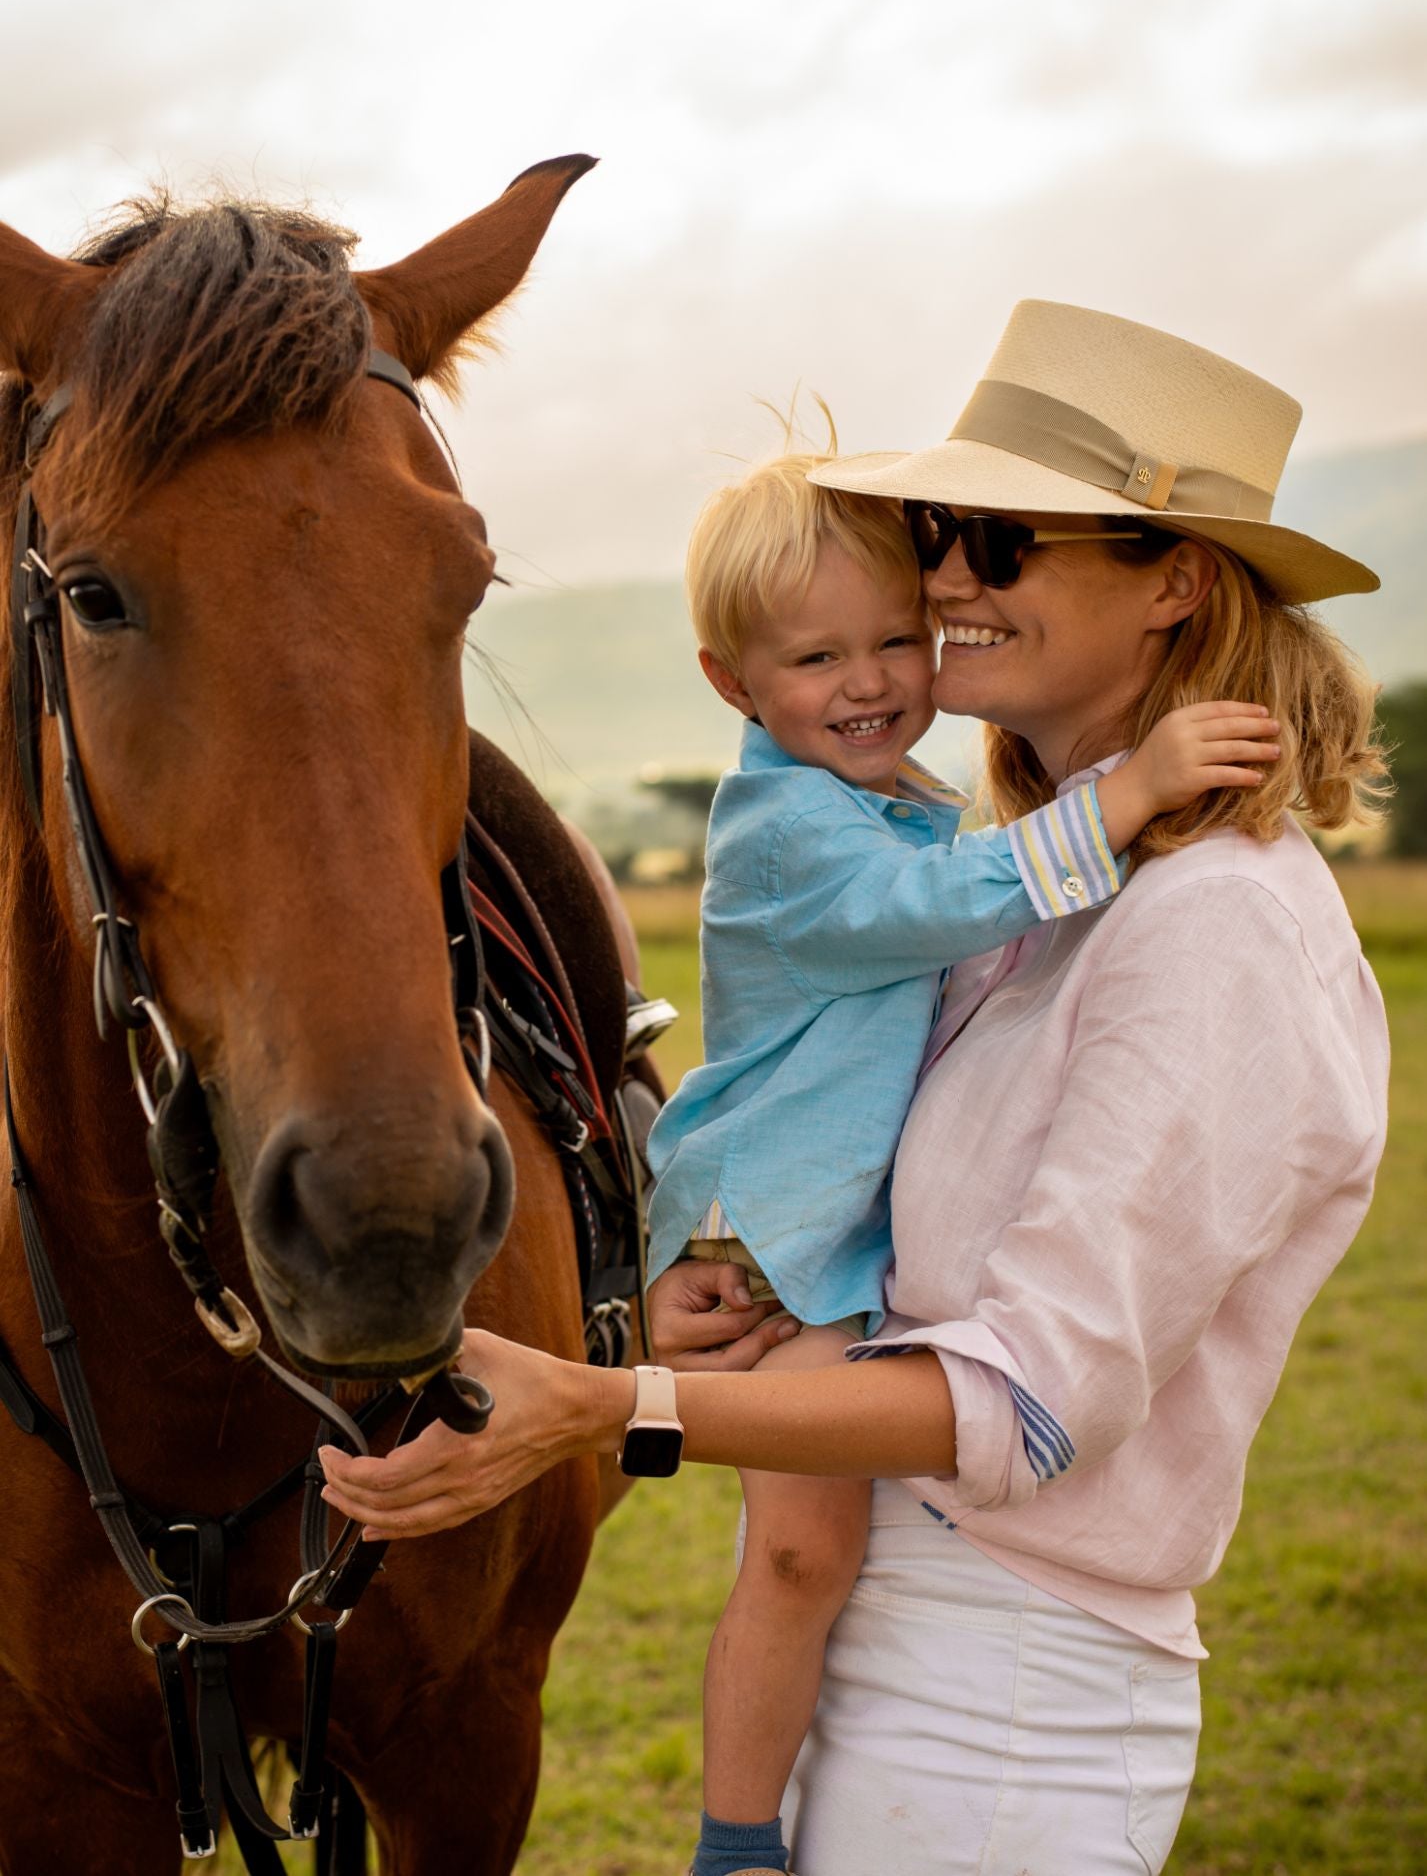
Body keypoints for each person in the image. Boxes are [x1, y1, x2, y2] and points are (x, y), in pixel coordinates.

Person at [320, 301, 1391, 1876]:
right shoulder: (1022, 879)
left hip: (1000, 1694)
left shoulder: (1210, 921)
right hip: (891, 1644)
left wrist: (615, 1405)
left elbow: (1026, 1402)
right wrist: (708, 1307)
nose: (947, 580)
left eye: (1003, 543)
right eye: (942, 533)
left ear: (1177, 582)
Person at [641, 446, 1276, 1876]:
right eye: (817, 655)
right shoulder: (800, 830)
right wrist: (1123, 798)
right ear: (732, 684)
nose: (872, 676)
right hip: (782, 1251)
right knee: (798, 1555)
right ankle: (733, 1838)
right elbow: (945, 901)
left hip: (841, 1273)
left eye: (895, 638)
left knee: (808, 1558)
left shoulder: (903, 801)